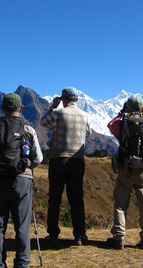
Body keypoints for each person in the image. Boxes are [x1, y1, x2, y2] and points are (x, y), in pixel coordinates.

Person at [0, 93, 43, 268]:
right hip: (23, 183)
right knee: (22, 225)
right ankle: (22, 263)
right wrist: (26, 168)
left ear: (3, 109)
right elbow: (38, 158)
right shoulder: (28, 130)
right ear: (21, 109)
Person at [106, 95, 143, 250]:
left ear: (127, 107)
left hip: (126, 168)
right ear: (142, 107)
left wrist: (121, 114)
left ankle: (119, 238)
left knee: (120, 205)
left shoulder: (122, 121)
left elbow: (111, 125)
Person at [40, 86, 91, 246]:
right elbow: (87, 133)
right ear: (76, 99)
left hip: (58, 160)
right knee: (77, 199)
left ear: (63, 99)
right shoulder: (85, 116)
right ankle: (79, 235)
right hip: (77, 160)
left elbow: (43, 122)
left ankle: (53, 234)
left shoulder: (57, 113)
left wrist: (52, 107)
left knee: (54, 198)